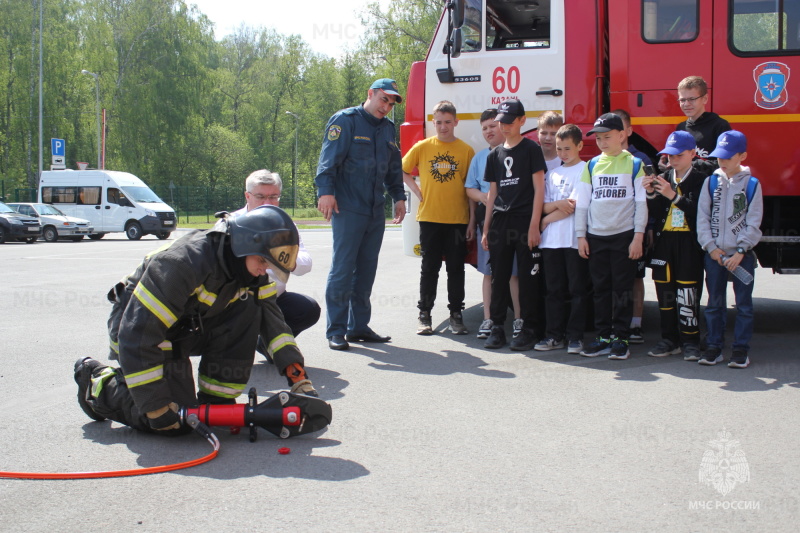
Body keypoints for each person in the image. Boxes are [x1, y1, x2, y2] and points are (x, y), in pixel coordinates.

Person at [73, 206, 318, 434]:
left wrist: (297, 377)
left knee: (249, 307)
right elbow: (137, 334)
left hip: (184, 327)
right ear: (245, 245)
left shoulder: (249, 272)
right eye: (263, 261)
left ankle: (217, 399)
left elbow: (272, 321)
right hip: (140, 330)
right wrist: (155, 403)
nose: (265, 270)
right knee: (171, 418)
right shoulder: (182, 263)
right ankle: (98, 385)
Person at [315, 78, 407, 351]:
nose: (386, 107)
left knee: (366, 270)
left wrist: (399, 196)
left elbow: (393, 167)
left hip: (374, 209)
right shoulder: (346, 121)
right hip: (348, 206)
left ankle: (358, 327)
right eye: (383, 99)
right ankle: (336, 330)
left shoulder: (388, 129)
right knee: (343, 269)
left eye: (391, 103)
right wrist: (325, 192)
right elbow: (328, 159)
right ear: (371, 94)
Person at [575, 113, 647, 360]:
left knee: (622, 289)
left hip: (624, 237)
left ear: (622, 134)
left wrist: (638, 237)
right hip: (596, 237)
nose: (602, 142)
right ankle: (603, 336)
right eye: (599, 138)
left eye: (607, 137)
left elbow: (641, 203)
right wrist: (580, 236)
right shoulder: (592, 165)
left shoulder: (635, 164)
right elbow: (583, 204)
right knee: (600, 289)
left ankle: (621, 338)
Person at [403, 101, 475, 335]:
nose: (443, 127)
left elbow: (471, 188)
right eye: (438, 123)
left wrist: (472, 221)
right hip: (430, 218)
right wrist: (416, 190)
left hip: (457, 220)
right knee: (429, 268)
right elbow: (402, 169)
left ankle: (456, 314)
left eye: (447, 122)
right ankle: (424, 314)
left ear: (456, 122)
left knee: (456, 269)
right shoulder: (423, 147)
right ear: (433, 123)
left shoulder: (465, 150)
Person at [481, 99, 547, 351]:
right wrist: (487, 229)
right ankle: (497, 327)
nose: (504, 127)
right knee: (499, 276)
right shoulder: (495, 154)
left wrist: (534, 225)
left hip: (524, 220)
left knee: (529, 278)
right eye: (501, 122)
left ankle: (529, 328)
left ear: (522, 120)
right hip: (500, 223)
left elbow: (539, 188)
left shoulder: (531, 149)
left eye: (509, 122)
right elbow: (492, 194)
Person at [696, 130, 763, 368]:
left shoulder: (752, 185)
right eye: (719, 157)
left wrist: (741, 251)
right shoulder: (710, 181)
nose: (722, 161)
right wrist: (711, 248)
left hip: (740, 257)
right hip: (714, 255)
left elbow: (754, 222)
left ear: (742, 156)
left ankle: (740, 350)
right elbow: (702, 218)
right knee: (715, 303)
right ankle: (714, 347)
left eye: (727, 156)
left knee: (744, 306)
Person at [233, 169, 320, 338]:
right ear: (247, 196)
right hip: (237, 301)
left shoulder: (286, 225)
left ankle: (268, 345)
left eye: (273, 197)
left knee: (308, 309)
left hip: (274, 298)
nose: (267, 203)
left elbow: (305, 264)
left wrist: (282, 255)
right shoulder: (230, 223)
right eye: (260, 197)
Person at [643, 131, 707, 361]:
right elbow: (656, 211)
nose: (673, 160)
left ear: (692, 153)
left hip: (688, 242)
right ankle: (669, 339)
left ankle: (690, 340)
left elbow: (700, 212)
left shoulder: (701, 179)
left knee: (688, 293)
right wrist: (651, 193)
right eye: (669, 155)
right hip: (664, 241)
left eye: (678, 155)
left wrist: (673, 196)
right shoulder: (664, 177)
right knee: (665, 293)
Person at [464, 109, 522, 339]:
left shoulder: (516, 153)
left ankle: (519, 318)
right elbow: (470, 188)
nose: (489, 131)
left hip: (511, 221)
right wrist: (483, 198)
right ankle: (488, 318)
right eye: (484, 128)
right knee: (489, 273)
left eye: (492, 126)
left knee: (513, 273)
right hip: (487, 223)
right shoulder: (479, 158)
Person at [535, 124, 589, 354]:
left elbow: (572, 207)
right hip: (551, 243)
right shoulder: (553, 173)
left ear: (579, 146)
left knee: (577, 289)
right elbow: (544, 205)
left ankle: (575, 337)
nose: (563, 153)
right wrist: (551, 210)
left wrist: (546, 221)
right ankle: (554, 335)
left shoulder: (585, 170)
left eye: (567, 148)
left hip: (573, 239)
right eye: (559, 149)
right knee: (553, 290)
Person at [613, 108, 654, 344]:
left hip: (634, 230)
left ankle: (636, 323)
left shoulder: (642, 160)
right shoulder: (601, 161)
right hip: (610, 231)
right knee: (613, 280)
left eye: (620, 127)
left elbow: (649, 197)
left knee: (636, 277)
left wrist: (649, 227)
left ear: (628, 131)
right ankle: (616, 322)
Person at [675, 76, 731, 161]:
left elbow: (726, 163)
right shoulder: (681, 128)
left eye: (692, 99)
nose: (686, 104)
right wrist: (669, 162)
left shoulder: (719, 126)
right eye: (682, 100)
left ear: (705, 99)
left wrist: (689, 166)